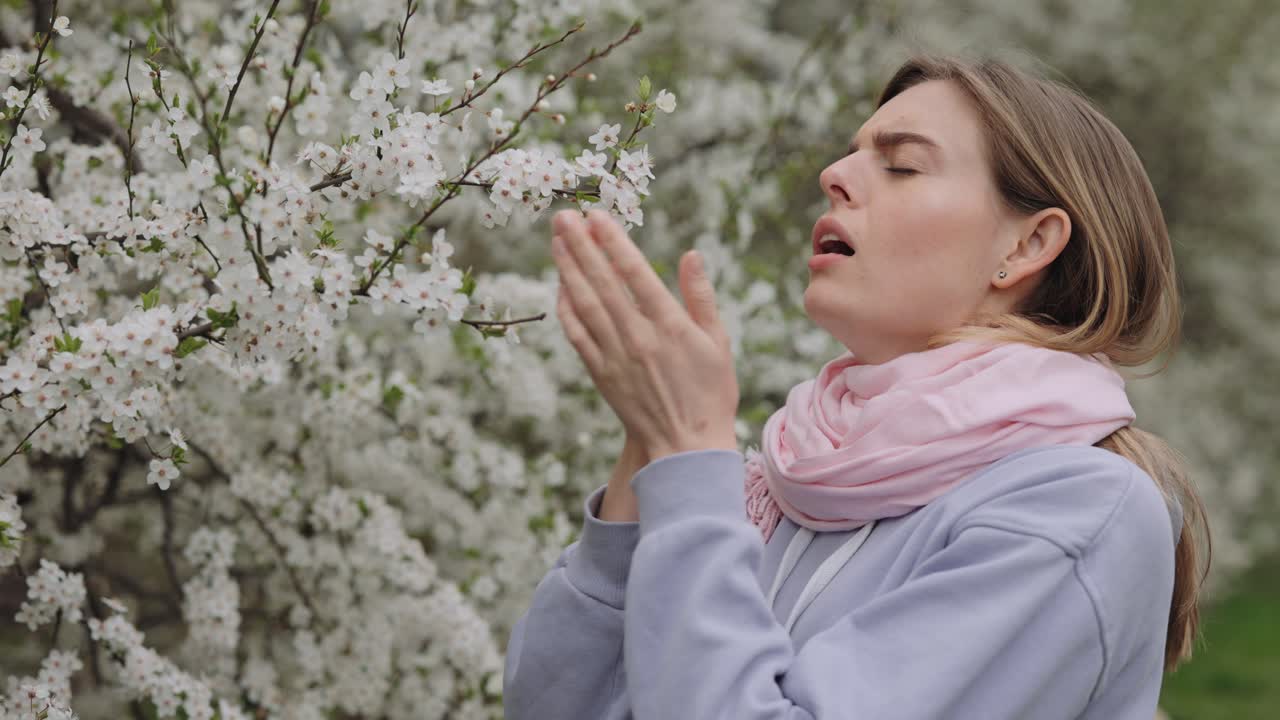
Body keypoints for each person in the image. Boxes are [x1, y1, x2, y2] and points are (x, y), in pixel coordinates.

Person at [502, 54, 1210, 720]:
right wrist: (651, 449)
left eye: (901, 166)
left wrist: (689, 450)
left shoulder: (1079, 512)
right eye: (852, 152)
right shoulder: (790, 478)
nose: (835, 174)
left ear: (1025, 246)